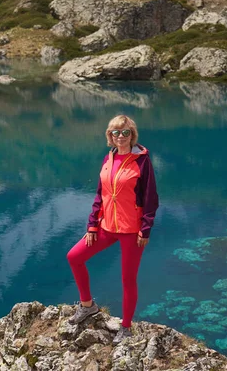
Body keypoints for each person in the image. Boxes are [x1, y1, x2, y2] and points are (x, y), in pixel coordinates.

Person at [66, 114, 159, 344]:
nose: (120, 137)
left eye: (125, 132)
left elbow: (151, 198)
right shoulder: (108, 158)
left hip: (132, 230)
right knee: (74, 257)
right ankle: (87, 305)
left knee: (128, 279)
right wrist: (92, 225)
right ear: (110, 135)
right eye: (115, 132)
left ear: (132, 135)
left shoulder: (142, 161)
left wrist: (145, 230)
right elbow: (100, 195)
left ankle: (126, 328)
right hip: (106, 226)